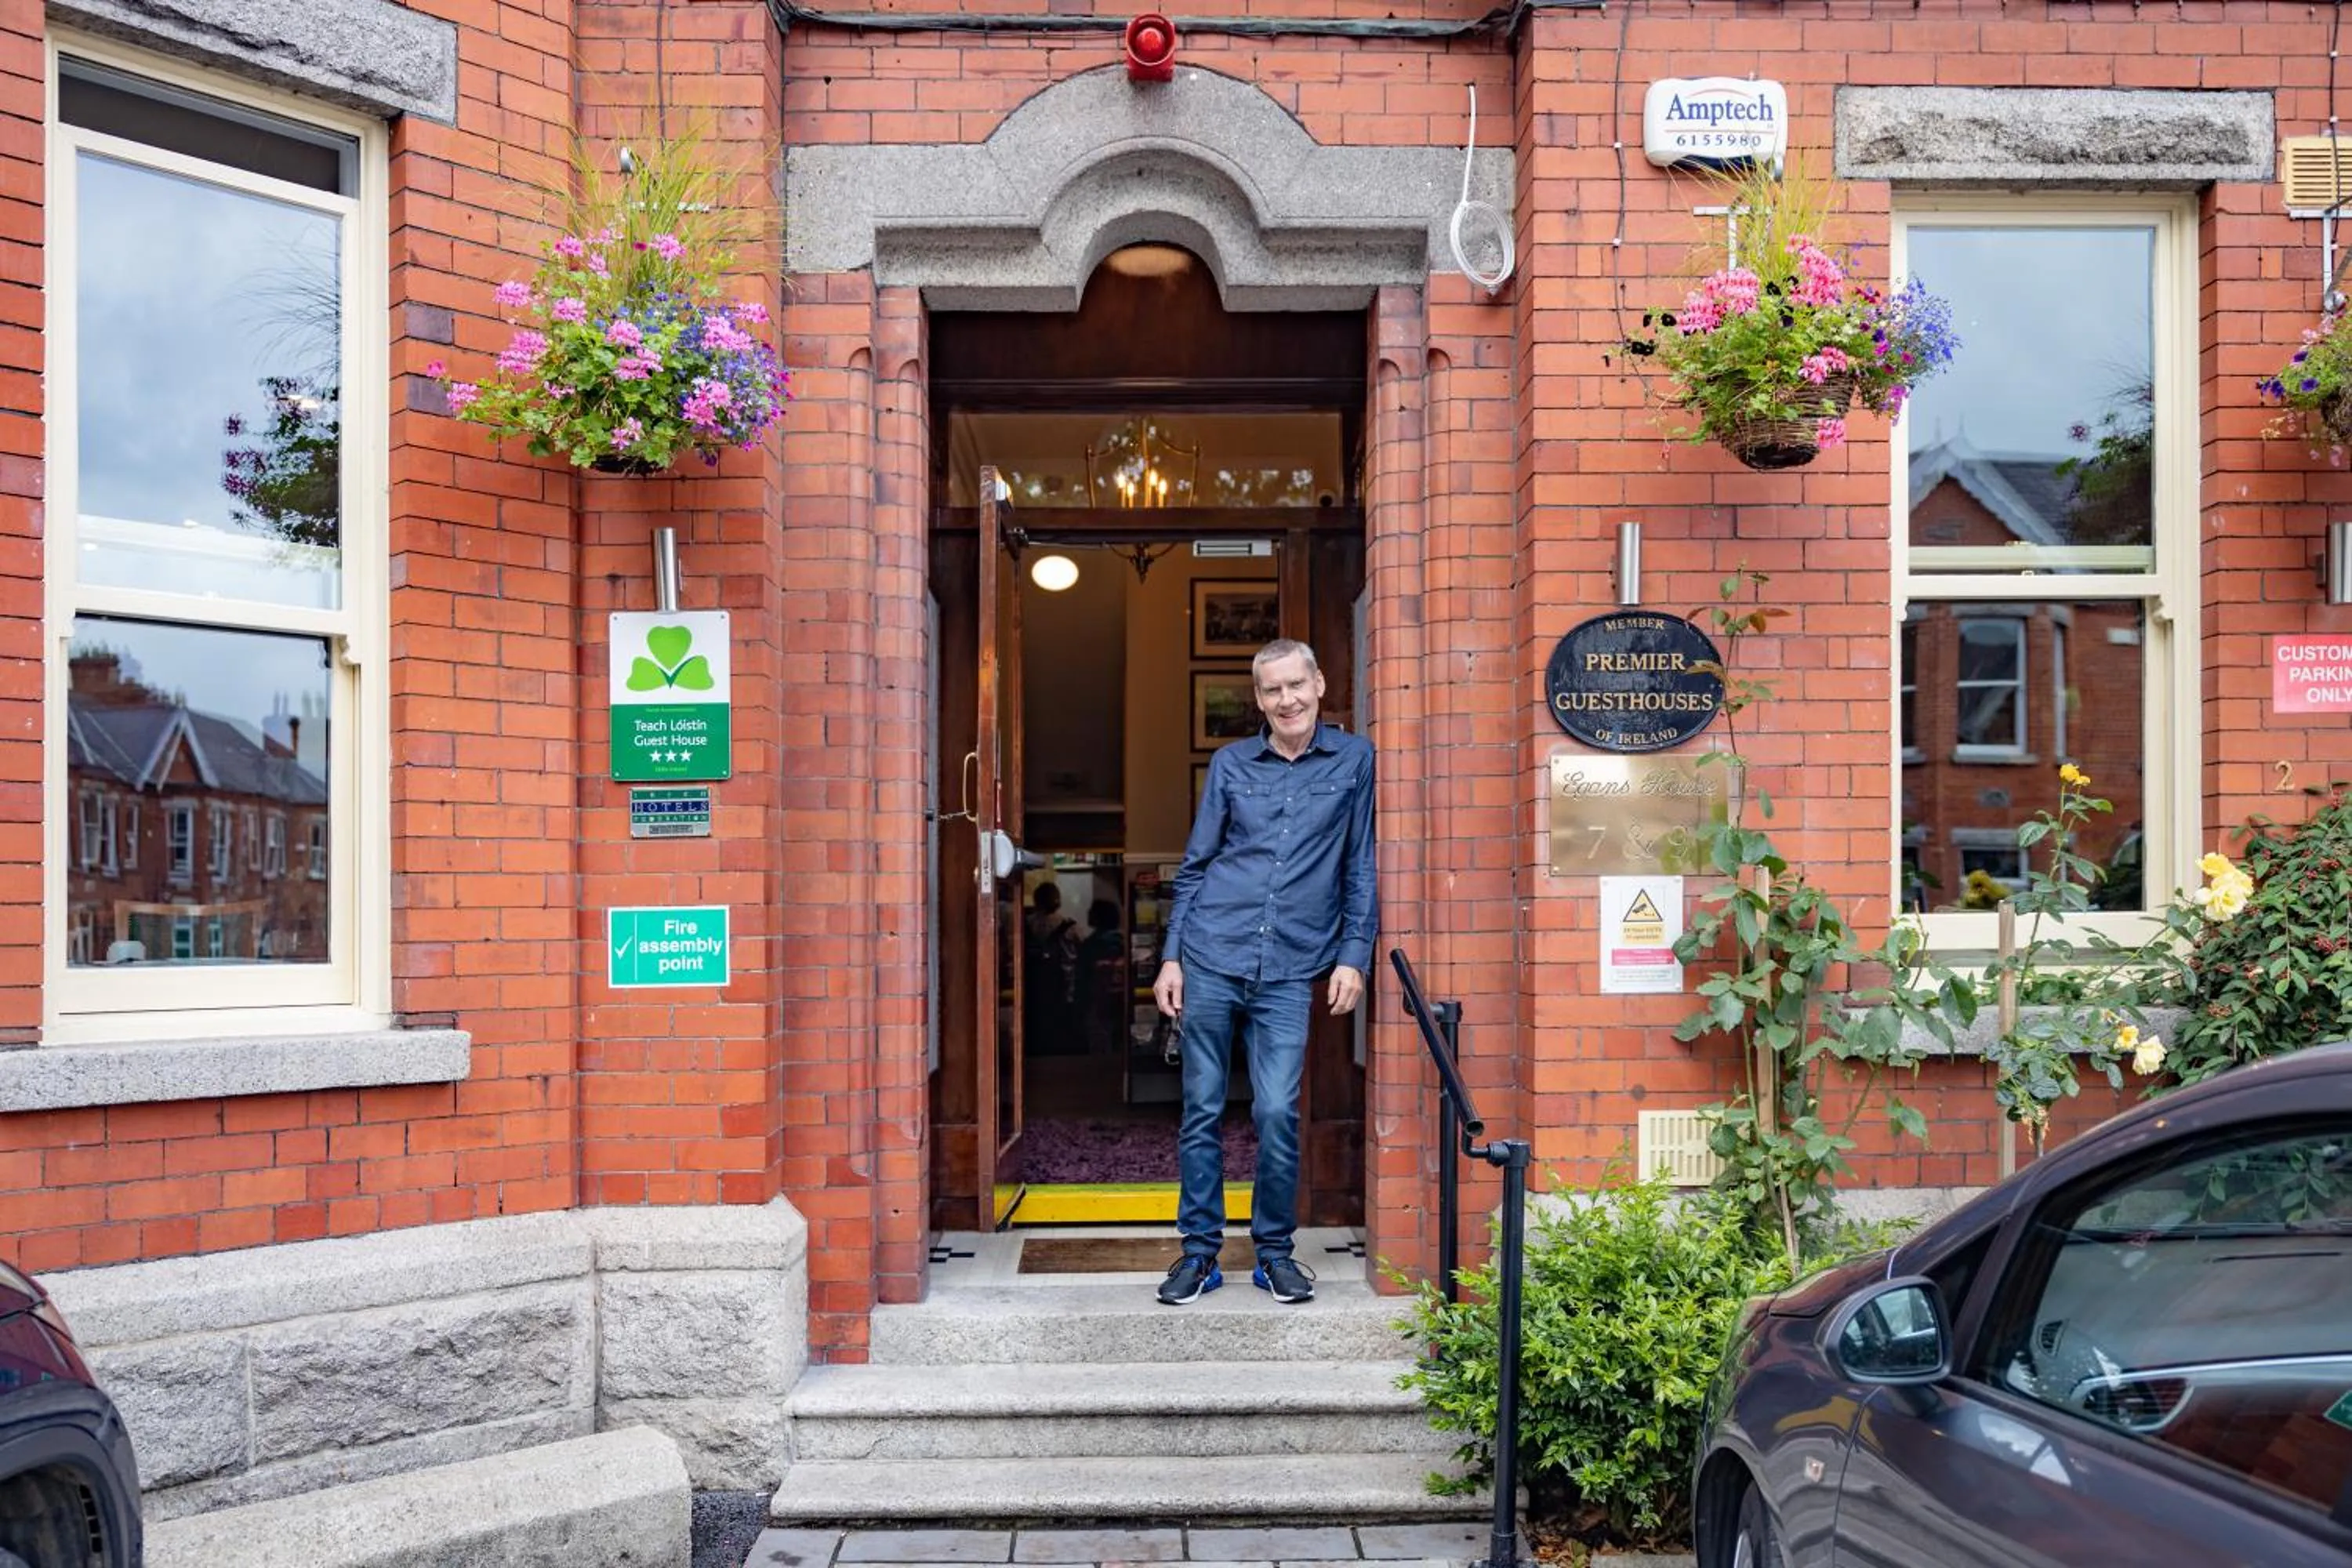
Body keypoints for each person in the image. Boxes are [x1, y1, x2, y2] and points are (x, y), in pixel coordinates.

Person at [1152, 637, 1375, 1305]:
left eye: (1295, 685)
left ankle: (1274, 1253)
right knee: (1202, 1109)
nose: (1287, 700)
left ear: (1320, 683)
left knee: (1278, 1109)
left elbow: (1360, 866)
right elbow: (1197, 865)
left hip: (1291, 964)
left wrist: (1353, 956)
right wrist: (1171, 956)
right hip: (1213, 953)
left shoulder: (1355, 760)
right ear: (1259, 699)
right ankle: (1199, 1254)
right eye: (1272, 690)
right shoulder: (1230, 764)